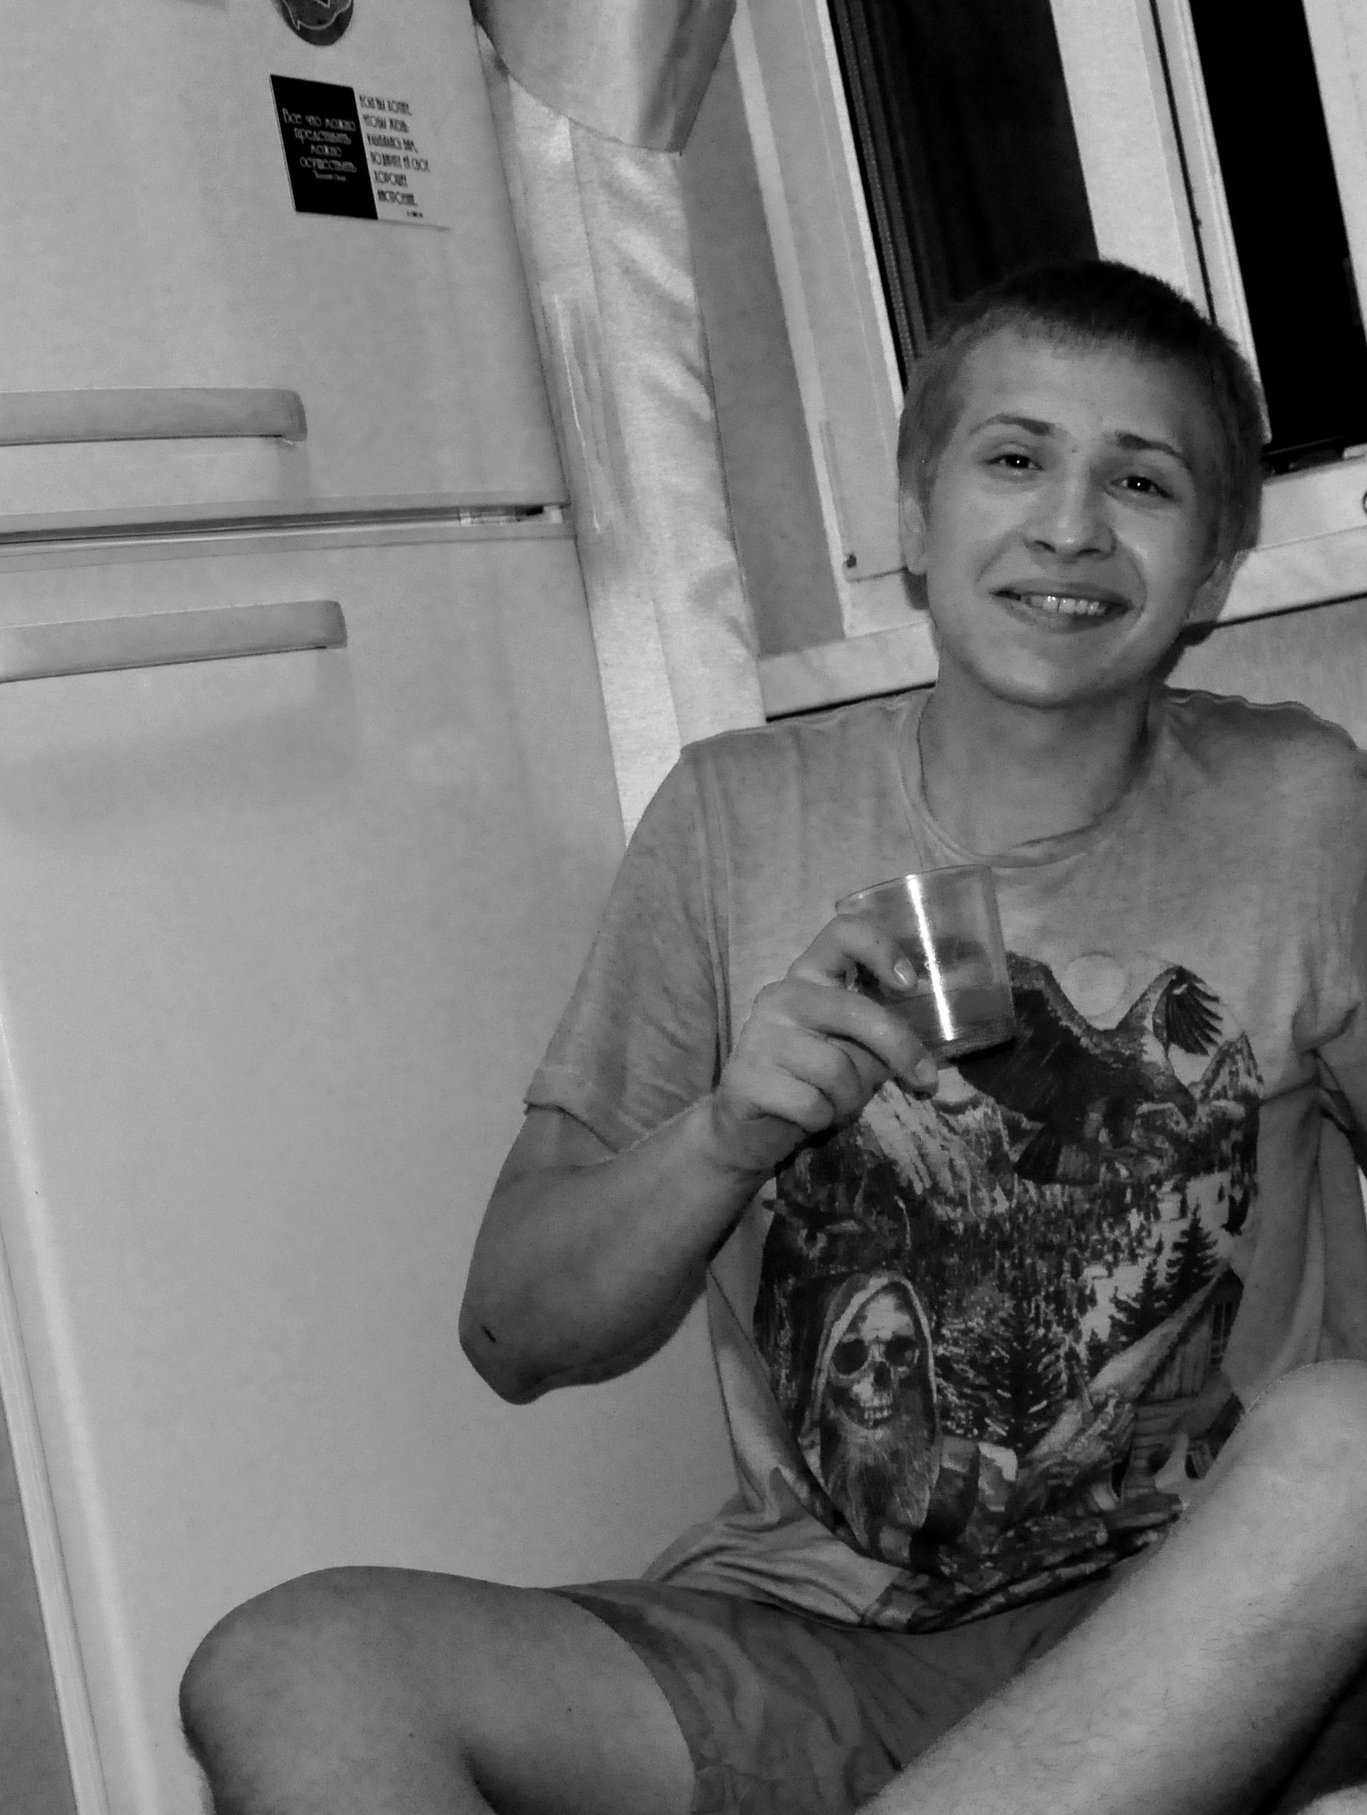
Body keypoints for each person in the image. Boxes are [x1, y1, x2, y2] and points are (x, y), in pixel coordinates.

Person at [179, 259, 1367, 1815]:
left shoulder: (1298, 807)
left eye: (1139, 482)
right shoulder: (733, 820)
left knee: (1350, 1445)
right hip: (827, 1639)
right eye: (1013, 458)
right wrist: (726, 1133)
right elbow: (515, 1335)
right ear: (913, 515)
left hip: (1215, 1626)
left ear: (1210, 569)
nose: (1069, 524)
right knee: (293, 1667)